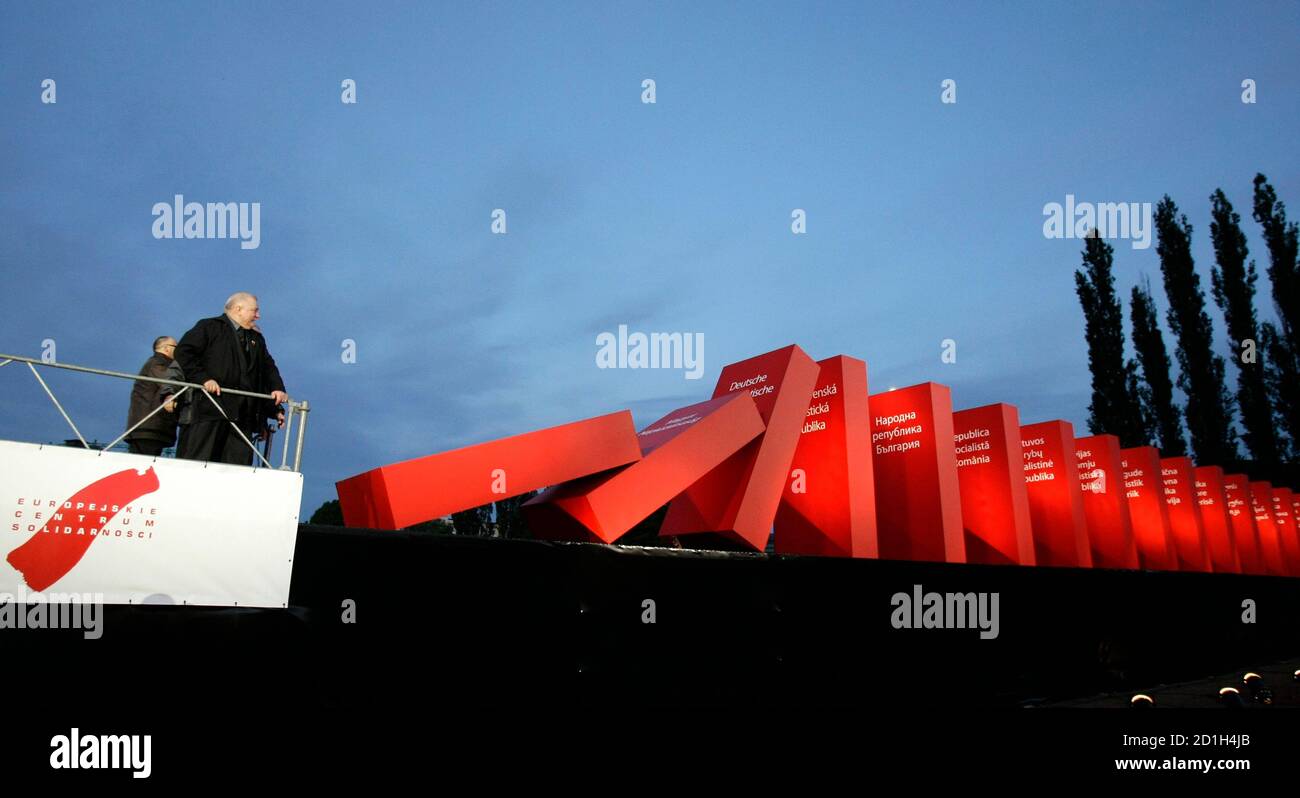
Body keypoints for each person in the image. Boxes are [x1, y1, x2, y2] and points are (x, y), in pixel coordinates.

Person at [174, 292, 288, 465]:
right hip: (209, 410)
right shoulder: (209, 326)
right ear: (238, 309)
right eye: (254, 311)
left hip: (243, 416)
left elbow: (266, 368)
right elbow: (184, 352)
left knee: (237, 469)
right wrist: (203, 379)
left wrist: (275, 400)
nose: (258, 316)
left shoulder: (256, 338)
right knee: (197, 463)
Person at [123, 336, 180, 456]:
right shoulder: (157, 363)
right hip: (149, 428)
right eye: (176, 347)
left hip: (149, 428)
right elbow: (170, 381)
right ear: (166, 348)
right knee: (143, 464)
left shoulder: (156, 363)